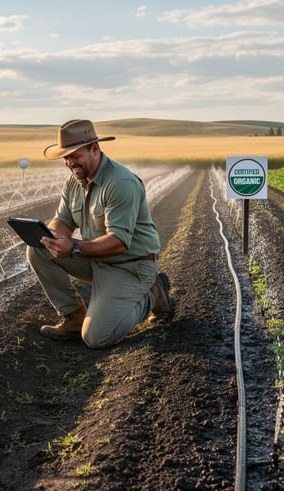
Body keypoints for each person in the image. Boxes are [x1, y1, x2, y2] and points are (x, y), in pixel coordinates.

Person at [26, 119, 175, 349]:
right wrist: (51, 234)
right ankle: (74, 318)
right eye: (65, 157)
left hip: (130, 266)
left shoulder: (120, 183)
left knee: (96, 338)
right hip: (97, 260)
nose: (69, 162)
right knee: (37, 249)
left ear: (94, 149)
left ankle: (154, 293)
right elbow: (63, 219)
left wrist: (74, 247)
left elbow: (118, 241)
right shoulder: (74, 182)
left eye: (75, 155)